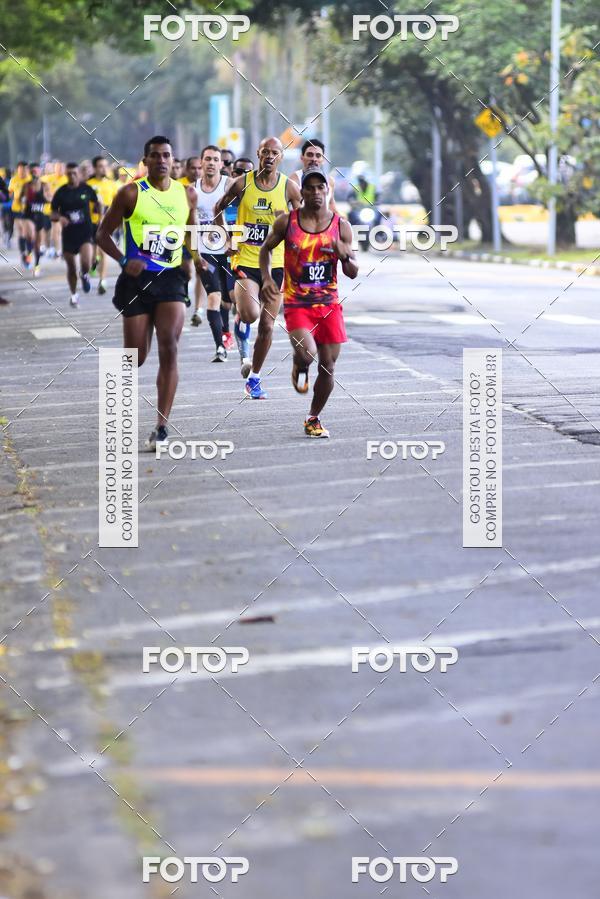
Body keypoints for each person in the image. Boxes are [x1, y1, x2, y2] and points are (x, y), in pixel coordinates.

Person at [96, 135, 205, 451]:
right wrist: (123, 260)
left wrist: (197, 261)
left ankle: (161, 426)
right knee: (136, 357)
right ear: (145, 161)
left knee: (169, 345)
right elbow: (102, 234)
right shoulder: (130, 193)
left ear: (174, 161)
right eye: (155, 155)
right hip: (137, 281)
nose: (161, 160)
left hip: (170, 279)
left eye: (166, 155)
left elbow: (190, 233)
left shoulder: (186, 194)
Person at [259, 166, 358, 437]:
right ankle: (300, 363)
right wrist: (267, 279)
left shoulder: (341, 226)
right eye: (310, 188)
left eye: (320, 187)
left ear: (328, 191)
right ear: (301, 192)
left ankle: (313, 418)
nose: (316, 192)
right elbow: (266, 249)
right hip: (297, 304)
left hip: (329, 304)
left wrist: (345, 256)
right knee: (307, 353)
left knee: (329, 366)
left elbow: (353, 272)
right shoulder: (287, 222)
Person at [214, 136, 301, 398]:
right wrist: (226, 237)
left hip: (276, 264)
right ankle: (242, 320)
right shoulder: (242, 183)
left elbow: (299, 221)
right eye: (265, 152)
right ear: (258, 154)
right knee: (251, 314)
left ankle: (254, 377)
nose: (270, 157)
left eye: (275, 153)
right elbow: (219, 209)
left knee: (266, 326)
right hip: (246, 260)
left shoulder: (289, 187)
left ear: (281, 157)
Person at [193, 145, 234, 361]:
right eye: (207, 158)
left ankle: (227, 331)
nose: (210, 162)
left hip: (227, 251)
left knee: (229, 300)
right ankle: (220, 347)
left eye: (215, 159)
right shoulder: (192, 190)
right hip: (204, 252)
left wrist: (234, 240)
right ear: (201, 162)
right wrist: (194, 255)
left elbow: (243, 213)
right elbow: (186, 223)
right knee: (214, 297)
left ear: (221, 164)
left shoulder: (229, 186)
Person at [51, 163, 99, 306]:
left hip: (85, 232)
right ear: (66, 174)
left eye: (74, 173)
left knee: (86, 262)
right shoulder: (61, 192)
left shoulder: (87, 189)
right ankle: (73, 294)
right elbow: (52, 213)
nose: (72, 176)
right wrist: (60, 218)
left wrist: (100, 215)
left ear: (79, 174)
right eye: (69, 173)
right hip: (69, 235)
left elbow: (97, 204)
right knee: (71, 267)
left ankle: (84, 274)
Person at [221, 156, 254, 357]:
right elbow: (216, 215)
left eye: (247, 173)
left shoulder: (255, 197)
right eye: (238, 171)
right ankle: (229, 334)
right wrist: (226, 240)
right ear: (232, 173)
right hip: (228, 257)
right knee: (229, 300)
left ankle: (244, 351)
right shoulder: (228, 197)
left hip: (252, 258)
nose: (242, 176)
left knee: (246, 308)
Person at [87, 156, 119, 294]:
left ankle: (102, 280)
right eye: (100, 166)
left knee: (104, 251)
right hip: (90, 222)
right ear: (95, 168)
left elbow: (117, 205)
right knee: (92, 254)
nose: (103, 168)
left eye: (105, 166)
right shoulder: (88, 184)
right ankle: (94, 262)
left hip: (106, 223)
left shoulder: (111, 184)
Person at [290, 139, 337, 212]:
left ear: (323, 159)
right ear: (301, 158)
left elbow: (331, 206)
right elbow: (299, 214)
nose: (314, 159)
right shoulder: (293, 181)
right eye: (310, 155)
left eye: (318, 156)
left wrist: (343, 219)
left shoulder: (330, 181)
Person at [21, 165, 51, 277]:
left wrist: (44, 197)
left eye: (36, 172)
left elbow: (50, 198)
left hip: (40, 215)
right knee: (30, 235)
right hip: (29, 215)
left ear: (40, 173)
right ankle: (28, 253)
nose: (34, 174)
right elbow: (21, 199)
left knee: (38, 244)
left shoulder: (44, 185)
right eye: (32, 172)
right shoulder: (26, 185)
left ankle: (37, 265)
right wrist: (24, 199)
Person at [8, 162, 31, 268]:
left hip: (29, 210)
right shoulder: (13, 180)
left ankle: (29, 253)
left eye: (25, 169)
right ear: (18, 170)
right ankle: (23, 254)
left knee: (29, 232)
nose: (23, 172)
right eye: (20, 169)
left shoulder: (31, 179)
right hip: (16, 209)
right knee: (21, 231)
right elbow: (9, 193)